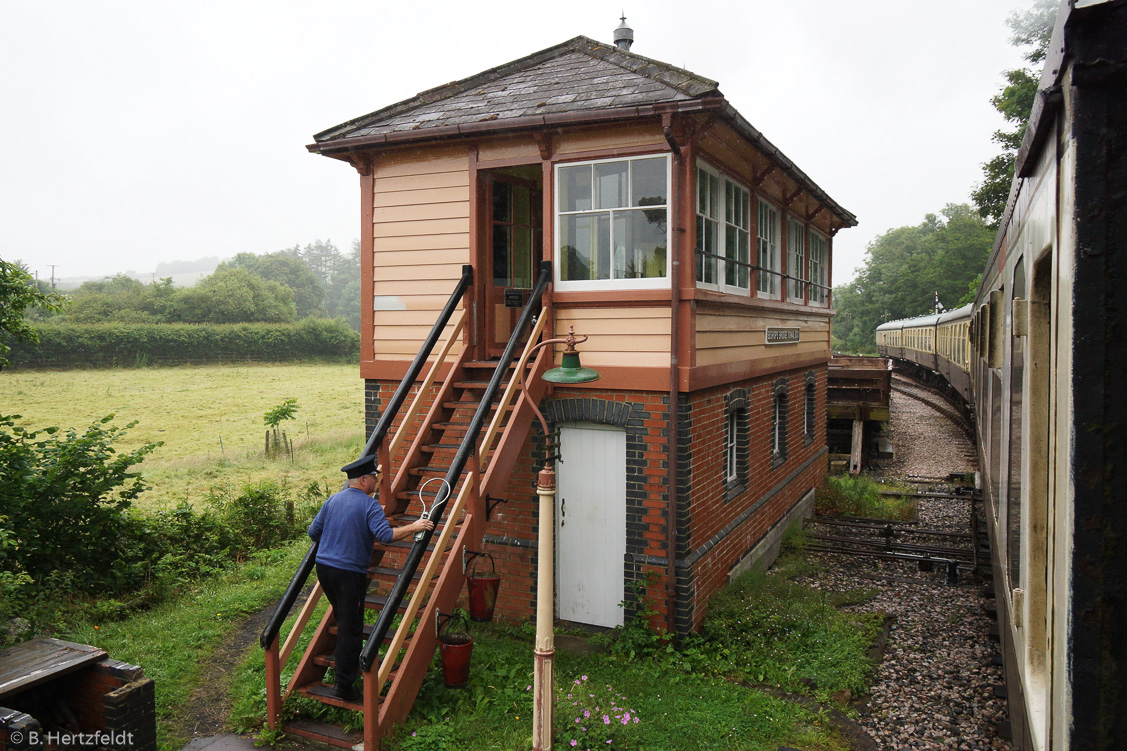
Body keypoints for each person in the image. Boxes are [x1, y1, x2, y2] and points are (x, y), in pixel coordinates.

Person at [307, 454, 434, 701]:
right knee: (350, 628)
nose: (376, 482)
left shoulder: (332, 501)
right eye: (374, 478)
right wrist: (414, 527)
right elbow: (385, 535)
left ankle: (343, 677)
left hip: (324, 569)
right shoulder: (369, 505)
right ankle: (343, 686)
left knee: (345, 618)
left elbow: (313, 532)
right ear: (363, 480)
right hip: (348, 574)